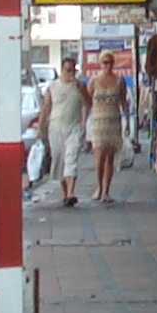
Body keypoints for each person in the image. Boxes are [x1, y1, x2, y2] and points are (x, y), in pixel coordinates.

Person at [38, 55, 90, 207]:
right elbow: (47, 107)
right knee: (60, 159)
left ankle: (71, 193)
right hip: (56, 128)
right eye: (68, 70)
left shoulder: (80, 86)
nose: (70, 74)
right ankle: (65, 193)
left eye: (73, 71)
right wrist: (41, 127)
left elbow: (87, 104)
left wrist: (80, 89)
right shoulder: (53, 87)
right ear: (62, 70)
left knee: (71, 158)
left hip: (73, 128)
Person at [83, 51, 130, 204]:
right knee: (99, 156)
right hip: (98, 121)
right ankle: (98, 187)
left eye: (110, 62)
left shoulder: (119, 81)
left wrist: (128, 120)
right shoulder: (94, 81)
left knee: (110, 157)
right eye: (104, 62)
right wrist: (83, 122)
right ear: (99, 63)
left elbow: (123, 101)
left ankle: (106, 190)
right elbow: (87, 102)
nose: (107, 66)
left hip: (113, 121)